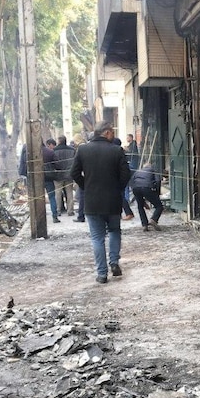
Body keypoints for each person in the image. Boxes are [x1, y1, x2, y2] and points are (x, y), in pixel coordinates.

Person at [70, 121, 131, 283]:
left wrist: (86, 187)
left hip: (92, 202)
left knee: (97, 238)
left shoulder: (83, 150)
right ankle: (114, 262)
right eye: (112, 132)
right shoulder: (117, 151)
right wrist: (118, 188)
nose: (113, 135)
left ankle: (102, 274)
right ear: (106, 133)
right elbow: (126, 174)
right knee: (114, 231)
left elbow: (74, 173)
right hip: (112, 201)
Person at [129, 163, 164, 232]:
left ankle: (144, 224)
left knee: (140, 206)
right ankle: (154, 219)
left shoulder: (137, 172)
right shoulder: (153, 171)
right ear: (150, 167)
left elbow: (132, 182)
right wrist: (157, 193)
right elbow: (158, 181)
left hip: (136, 188)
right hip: (147, 187)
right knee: (159, 206)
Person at [52, 135, 76, 217]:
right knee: (70, 193)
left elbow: (53, 163)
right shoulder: (72, 150)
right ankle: (70, 210)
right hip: (69, 174)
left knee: (58, 193)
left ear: (59, 141)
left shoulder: (54, 151)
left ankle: (58, 210)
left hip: (58, 175)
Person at [42, 139, 59, 223]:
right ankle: (54, 216)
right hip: (49, 177)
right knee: (52, 197)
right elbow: (57, 164)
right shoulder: (50, 152)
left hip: (36, 179)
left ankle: (40, 217)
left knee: (38, 198)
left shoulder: (31, 153)